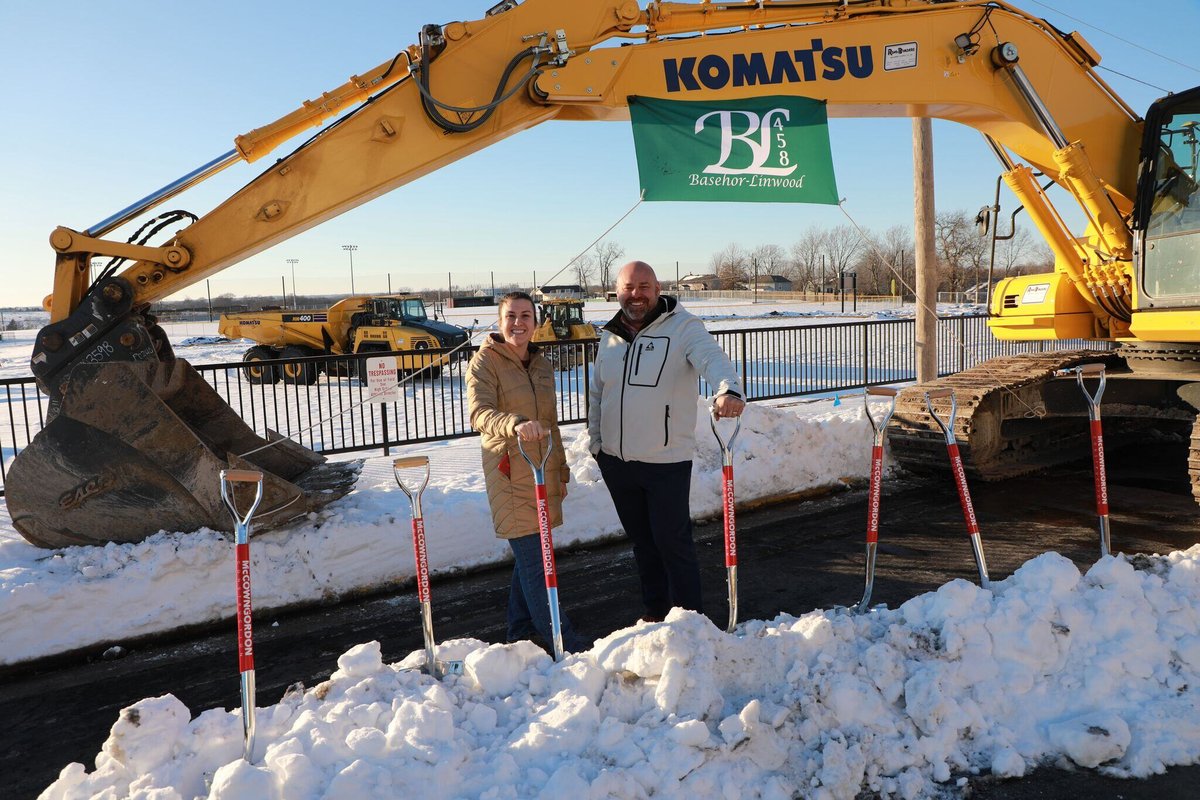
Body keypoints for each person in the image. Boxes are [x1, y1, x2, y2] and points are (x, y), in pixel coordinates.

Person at [588, 260, 745, 622]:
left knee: (672, 544)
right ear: (617, 291)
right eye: (629, 287)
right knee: (643, 546)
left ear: (658, 289)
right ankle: (655, 615)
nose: (636, 294)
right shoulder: (609, 335)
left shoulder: (684, 328)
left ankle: (691, 623)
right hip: (617, 462)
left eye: (644, 286)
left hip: (665, 463)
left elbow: (713, 360)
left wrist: (728, 390)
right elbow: (598, 392)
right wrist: (597, 445)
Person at [466, 291, 589, 652]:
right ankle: (561, 639)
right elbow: (479, 414)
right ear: (499, 321)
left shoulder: (541, 364)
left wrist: (561, 469)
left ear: (536, 322)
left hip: (542, 470)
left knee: (530, 560)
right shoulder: (485, 362)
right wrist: (514, 423)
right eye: (511, 316)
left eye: (525, 316)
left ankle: (518, 632)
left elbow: (549, 423)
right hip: (510, 471)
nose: (518, 323)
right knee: (537, 562)